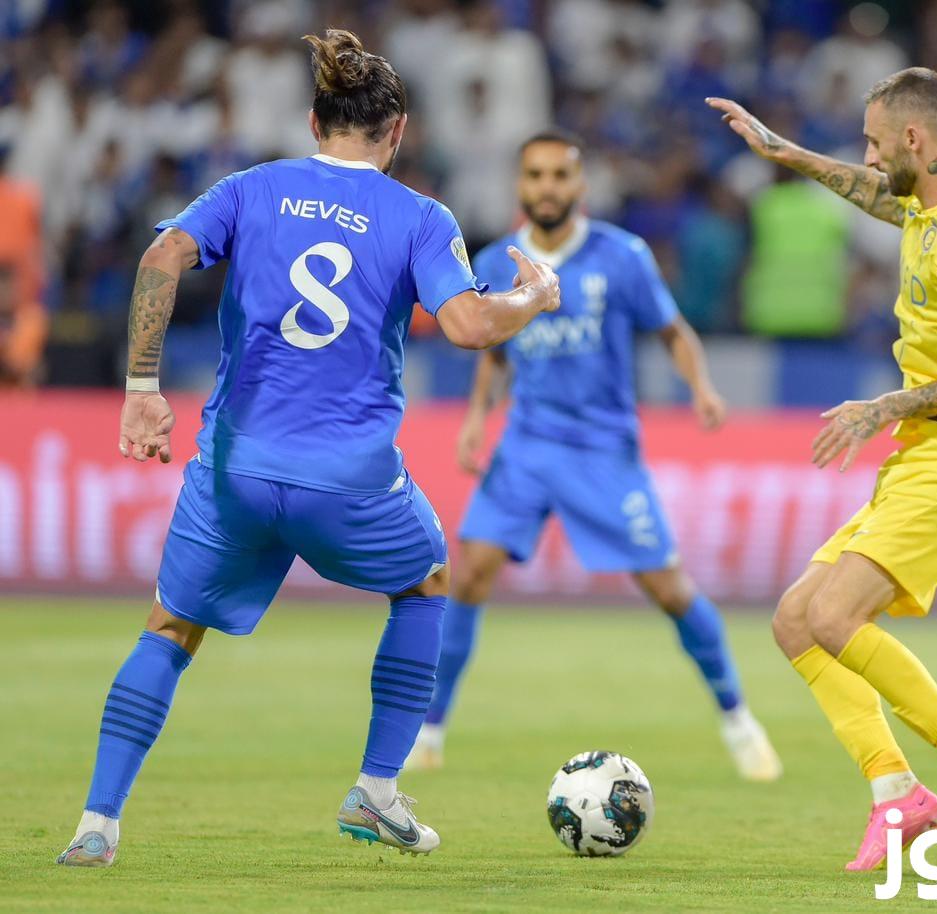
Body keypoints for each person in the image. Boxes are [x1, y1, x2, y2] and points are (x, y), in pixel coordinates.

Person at [56, 29, 560, 868]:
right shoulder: (420, 216)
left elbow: (161, 256)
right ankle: (377, 790)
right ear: (397, 132)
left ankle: (95, 826)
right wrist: (532, 296)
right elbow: (470, 326)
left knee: (170, 627)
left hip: (236, 467)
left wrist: (143, 391)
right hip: (346, 478)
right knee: (428, 578)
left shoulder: (251, 188)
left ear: (312, 120)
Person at [709, 67, 937, 871]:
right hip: (929, 448)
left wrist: (881, 407)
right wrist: (783, 152)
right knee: (796, 621)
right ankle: (896, 796)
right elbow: (879, 196)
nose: (868, 152)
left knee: (834, 617)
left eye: (875, 140)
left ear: (915, 140)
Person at [407, 129, 782, 782]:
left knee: (667, 588)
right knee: (466, 576)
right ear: (519, 186)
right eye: (535, 176)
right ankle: (430, 730)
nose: (547, 187)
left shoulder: (622, 256)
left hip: (603, 451)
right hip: (526, 444)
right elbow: (494, 346)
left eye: (559, 175)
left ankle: (738, 717)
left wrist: (701, 386)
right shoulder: (497, 257)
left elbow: (672, 330)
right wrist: (476, 419)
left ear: (580, 186)